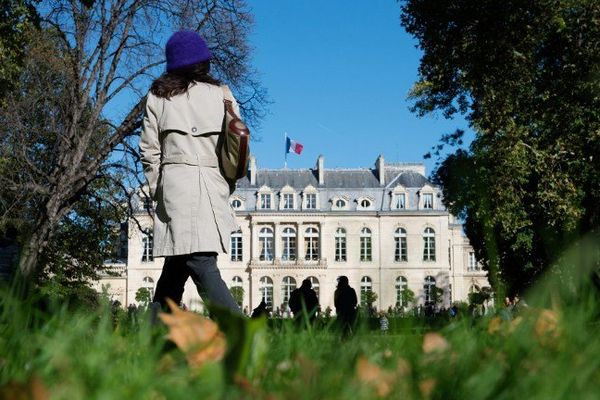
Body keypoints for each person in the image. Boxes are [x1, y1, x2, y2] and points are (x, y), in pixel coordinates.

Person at [140, 30, 242, 315]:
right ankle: (240, 335)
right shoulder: (222, 95)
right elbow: (236, 147)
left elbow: (149, 150)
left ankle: (156, 342)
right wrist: (226, 183)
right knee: (197, 261)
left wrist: (158, 188)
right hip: (212, 185)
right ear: (204, 61)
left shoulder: (158, 96)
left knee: (182, 265)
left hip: (174, 186)